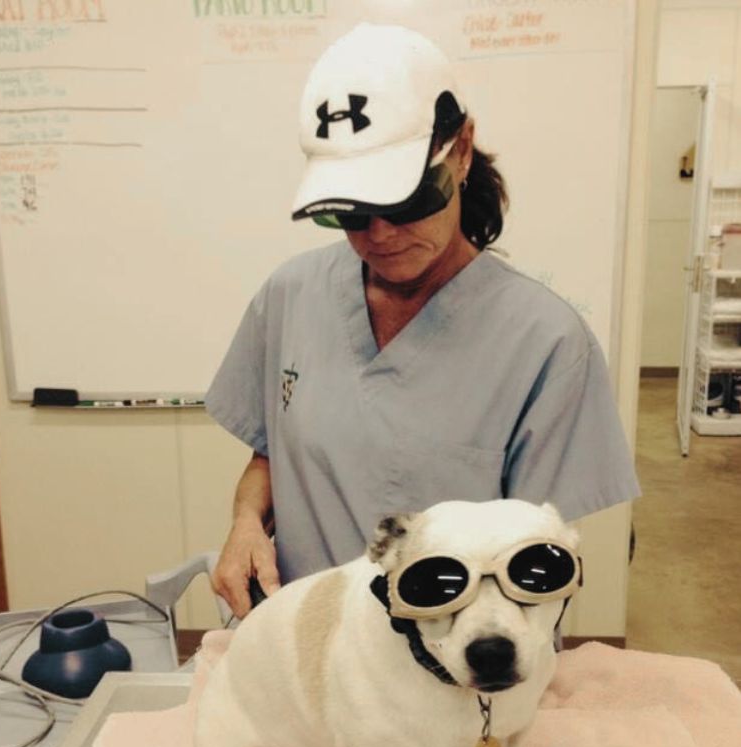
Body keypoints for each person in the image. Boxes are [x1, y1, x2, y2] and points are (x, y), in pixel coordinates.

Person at [205, 22, 640, 619]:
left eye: (406, 202)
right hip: (303, 645)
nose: (379, 235)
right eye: (350, 213)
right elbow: (271, 453)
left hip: (452, 666)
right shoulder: (291, 296)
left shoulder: (547, 344)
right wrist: (247, 524)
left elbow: (536, 554)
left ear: (460, 151)